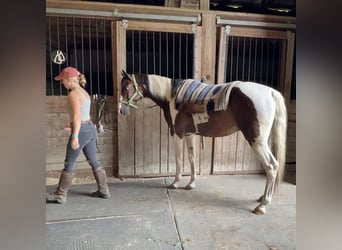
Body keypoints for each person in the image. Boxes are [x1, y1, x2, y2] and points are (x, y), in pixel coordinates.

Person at [46, 67, 111, 204]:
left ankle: (60, 194)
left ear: (68, 79)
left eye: (62, 79)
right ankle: (104, 190)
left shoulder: (73, 94)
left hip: (81, 131)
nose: (61, 82)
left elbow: (76, 116)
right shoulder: (84, 92)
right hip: (89, 128)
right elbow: (82, 115)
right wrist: (73, 124)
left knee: (69, 162)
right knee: (94, 161)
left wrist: (75, 135)